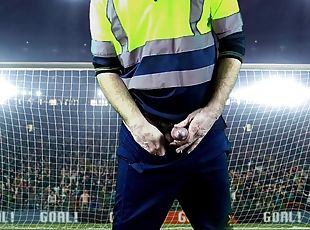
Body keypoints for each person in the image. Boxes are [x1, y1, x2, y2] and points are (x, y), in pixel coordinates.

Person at [90, 0, 245, 229]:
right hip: (143, 140)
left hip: (204, 135)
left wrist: (212, 111)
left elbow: (233, 43)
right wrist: (137, 125)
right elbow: (105, 67)